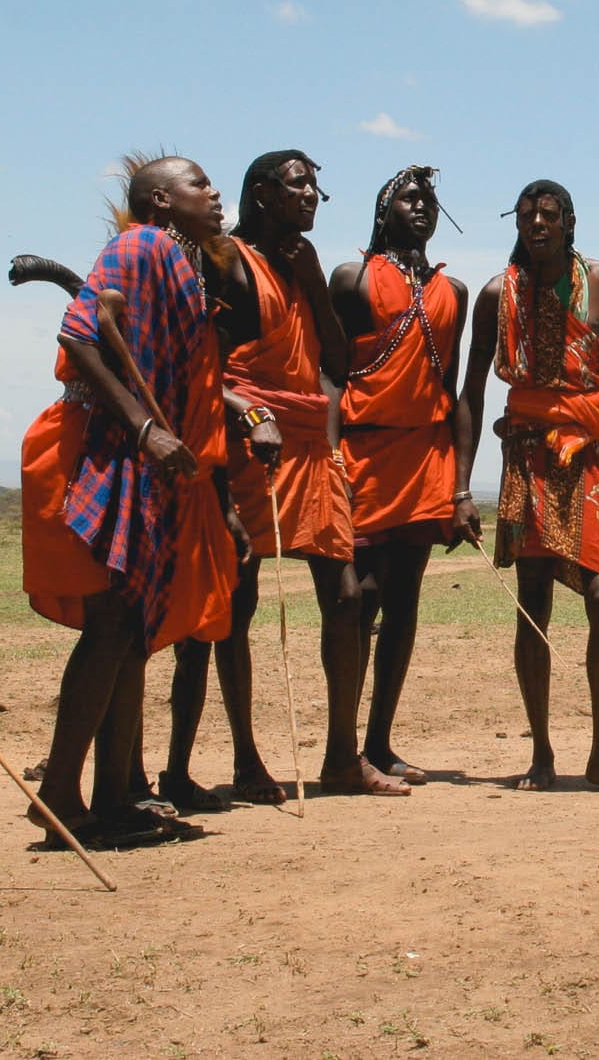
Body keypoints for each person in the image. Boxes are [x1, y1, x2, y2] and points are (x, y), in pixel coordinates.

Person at [160, 151, 408, 802]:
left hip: (308, 444)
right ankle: (246, 760)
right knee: (235, 602)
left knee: (347, 597)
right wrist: (245, 416)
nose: (313, 196)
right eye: (300, 185)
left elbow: (335, 361)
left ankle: (340, 757)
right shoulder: (225, 261)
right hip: (248, 440)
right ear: (264, 193)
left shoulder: (300, 266)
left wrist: (314, 281)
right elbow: (199, 366)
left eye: (316, 186)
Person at [18, 156, 249, 845]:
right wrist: (147, 428)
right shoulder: (139, 244)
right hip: (106, 449)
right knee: (113, 623)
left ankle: (113, 796)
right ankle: (60, 795)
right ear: (159, 199)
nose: (213, 194)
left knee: (131, 631)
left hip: (148, 459)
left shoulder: (178, 260)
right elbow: (81, 334)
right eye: (198, 184)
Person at [453, 181, 599, 794]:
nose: (538, 223)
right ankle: (540, 753)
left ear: (569, 222)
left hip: (592, 452)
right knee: (532, 601)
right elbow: (474, 392)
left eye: (549, 214)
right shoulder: (494, 295)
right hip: (529, 453)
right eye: (529, 215)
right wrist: (460, 488)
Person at [332, 166, 468, 785]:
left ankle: (380, 743)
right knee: (357, 598)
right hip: (361, 453)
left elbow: (453, 387)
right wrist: (330, 457)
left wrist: (461, 484)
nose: (422, 208)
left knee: (404, 603)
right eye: (411, 198)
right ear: (384, 210)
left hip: (424, 457)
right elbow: (331, 375)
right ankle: (344, 747)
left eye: (430, 200)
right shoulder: (352, 279)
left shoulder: (453, 291)